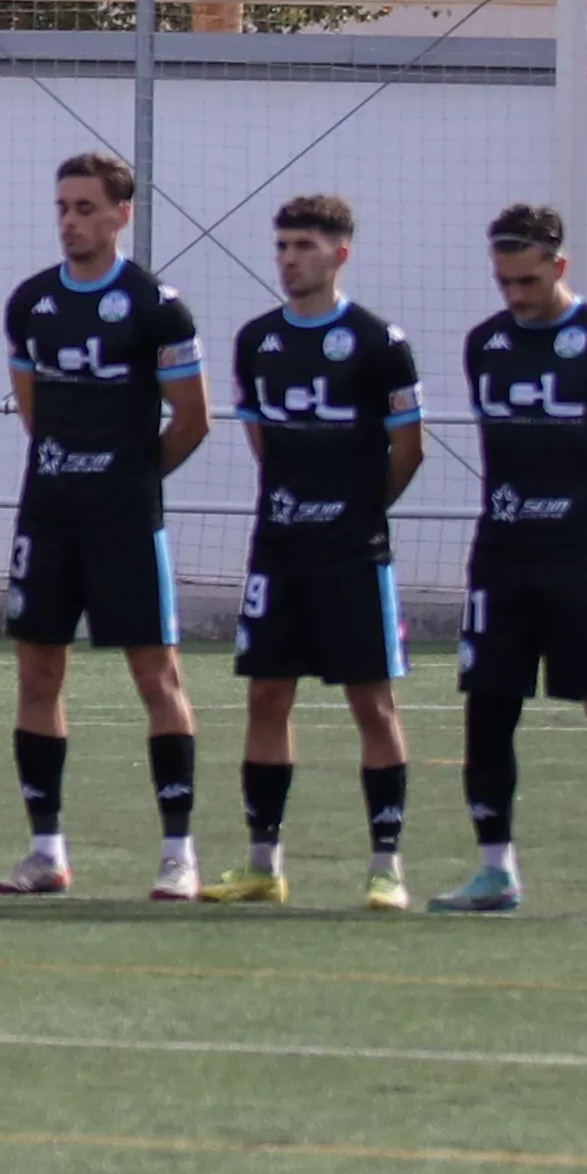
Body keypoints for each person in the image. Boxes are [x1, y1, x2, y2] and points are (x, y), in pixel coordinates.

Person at [438, 203, 587, 918]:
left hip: (582, 561)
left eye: (528, 281)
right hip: (503, 559)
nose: (514, 295)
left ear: (558, 267)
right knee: (489, 711)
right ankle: (495, 872)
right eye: (504, 281)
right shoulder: (484, 344)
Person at [0, 149, 207, 897]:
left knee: (157, 675)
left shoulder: (157, 307)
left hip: (124, 523)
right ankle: (46, 850)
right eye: (62, 208)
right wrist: (71, 469)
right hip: (48, 516)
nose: (71, 222)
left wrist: (130, 479)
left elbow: (191, 419)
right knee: (38, 671)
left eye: (86, 208)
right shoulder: (30, 303)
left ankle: (179, 852)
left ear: (122, 214)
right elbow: (32, 410)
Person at [216, 192, 423, 908]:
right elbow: (263, 443)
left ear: (340, 253)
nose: (288, 259)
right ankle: (262, 864)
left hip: (353, 555)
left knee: (372, 702)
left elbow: (409, 451)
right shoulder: (255, 342)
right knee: (268, 695)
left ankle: (386, 865)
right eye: (281, 246)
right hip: (278, 551)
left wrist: (355, 512)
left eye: (303, 246)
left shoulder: (378, 342)